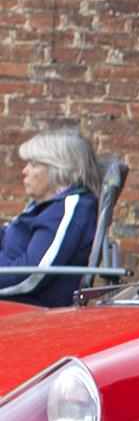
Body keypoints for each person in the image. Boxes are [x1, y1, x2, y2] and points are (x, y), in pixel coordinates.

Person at [0, 131, 104, 306]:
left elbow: (32, 274)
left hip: (28, 309)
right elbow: (8, 234)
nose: (24, 171)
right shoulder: (46, 206)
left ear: (58, 169)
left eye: (33, 165)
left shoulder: (68, 210)